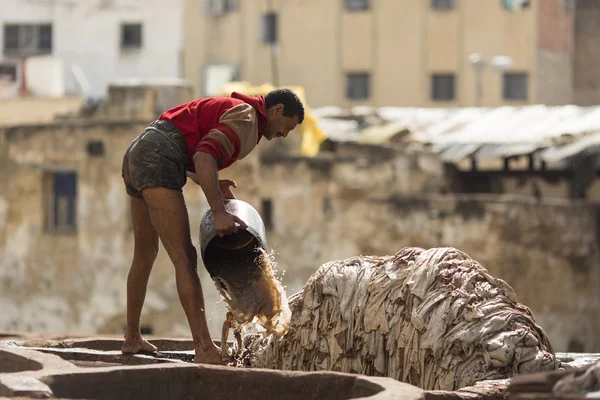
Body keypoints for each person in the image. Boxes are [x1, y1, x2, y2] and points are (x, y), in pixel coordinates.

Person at [120, 89, 305, 364]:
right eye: (287, 127)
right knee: (185, 258)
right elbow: (204, 157)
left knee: (145, 253)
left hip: (139, 151)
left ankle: (132, 337)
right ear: (277, 110)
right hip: (158, 157)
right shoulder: (248, 119)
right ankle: (204, 348)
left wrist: (211, 183)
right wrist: (219, 212)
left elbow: (191, 148)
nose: (284, 135)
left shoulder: (236, 108)